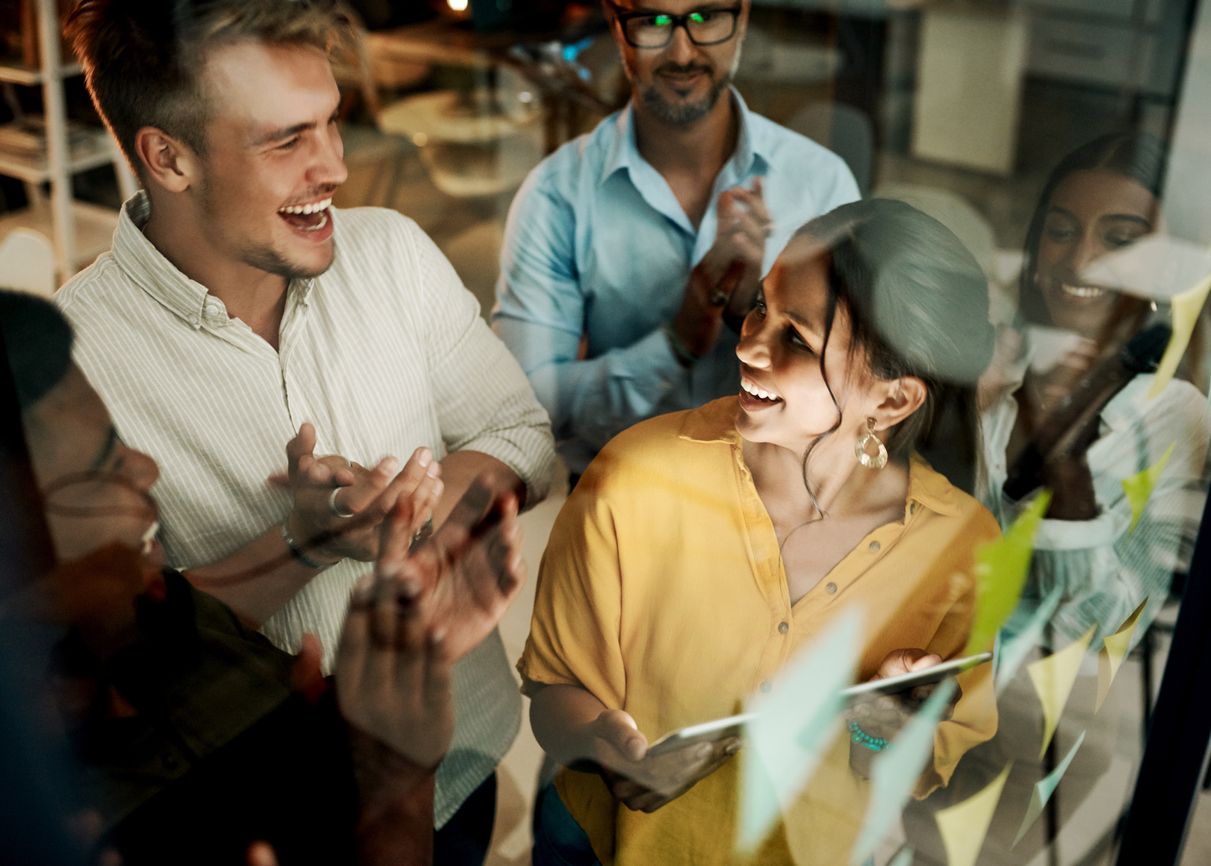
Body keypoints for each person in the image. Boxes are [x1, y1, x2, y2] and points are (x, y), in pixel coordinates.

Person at [58, 1, 555, 856]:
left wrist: (418, 529)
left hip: (456, 760)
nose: (334, 168)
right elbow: (112, 656)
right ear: (168, 157)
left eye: (330, 123)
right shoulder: (69, 369)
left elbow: (519, 434)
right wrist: (302, 545)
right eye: (286, 140)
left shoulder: (393, 252)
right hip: (255, 823)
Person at [518, 199, 1001, 865]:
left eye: (796, 340)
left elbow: (930, 765)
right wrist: (598, 743)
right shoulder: (634, 478)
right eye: (757, 308)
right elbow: (553, 692)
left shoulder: (960, 549)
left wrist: (884, 728)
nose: (747, 345)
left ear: (891, 400)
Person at [0, 290, 529, 865]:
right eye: (106, 467)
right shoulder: (54, 821)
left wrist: (310, 542)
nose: (147, 469)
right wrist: (394, 781)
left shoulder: (125, 614)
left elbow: (192, 606)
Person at [904, 132, 1211, 864]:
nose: (1078, 264)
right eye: (1061, 232)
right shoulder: (985, 368)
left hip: (1039, 749)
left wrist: (1063, 458)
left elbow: (1092, 630)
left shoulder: (1172, 416)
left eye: (1120, 240)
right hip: (911, 708)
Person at [492, 0, 860, 480]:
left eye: (706, 16)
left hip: (782, 509)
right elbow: (528, 407)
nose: (683, 53)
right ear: (615, 25)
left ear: (743, 16)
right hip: (619, 504)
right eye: (652, 21)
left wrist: (756, 310)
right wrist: (676, 342)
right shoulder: (556, 195)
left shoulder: (821, 183)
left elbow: (854, 389)